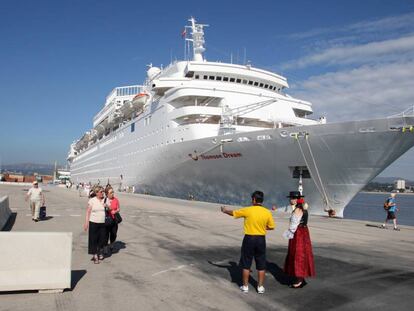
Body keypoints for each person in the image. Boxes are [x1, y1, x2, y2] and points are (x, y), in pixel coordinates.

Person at [221, 191, 275, 294]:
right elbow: (272, 227)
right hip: (260, 239)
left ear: (254, 199)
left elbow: (234, 213)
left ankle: (245, 286)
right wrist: (262, 227)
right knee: (261, 263)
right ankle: (260, 287)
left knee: (246, 263)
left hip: (249, 238)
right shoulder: (267, 212)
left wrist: (224, 210)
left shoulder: (248, 210)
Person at [283, 195, 315, 288]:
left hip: (298, 234)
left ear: (296, 200)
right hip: (304, 232)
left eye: (292, 198)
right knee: (303, 253)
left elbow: (293, 226)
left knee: (298, 254)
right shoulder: (303, 208)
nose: (290, 200)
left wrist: (287, 235)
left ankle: (299, 279)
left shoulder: (297, 210)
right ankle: (300, 277)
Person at [83, 186, 107, 264]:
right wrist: (86, 223)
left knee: (102, 240)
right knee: (93, 240)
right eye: (101, 192)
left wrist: (107, 206)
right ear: (96, 193)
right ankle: (95, 255)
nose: (102, 193)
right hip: (93, 222)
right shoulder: (92, 200)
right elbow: (88, 212)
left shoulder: (105, 200)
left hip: (103, 223)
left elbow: (110, 209)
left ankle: (99, 251)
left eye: (103, 191)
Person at [104, 187, 120, 254]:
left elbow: (119, 209)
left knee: (113, 233)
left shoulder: (116, 200)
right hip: (106, 220)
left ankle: (111, 245)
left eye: (113, 192)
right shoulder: (104, 200)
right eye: (111, 193)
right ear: (107, 194)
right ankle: (105, 248)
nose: (112, 194)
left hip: (114, 220)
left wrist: (115, 211)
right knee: (105, 234)